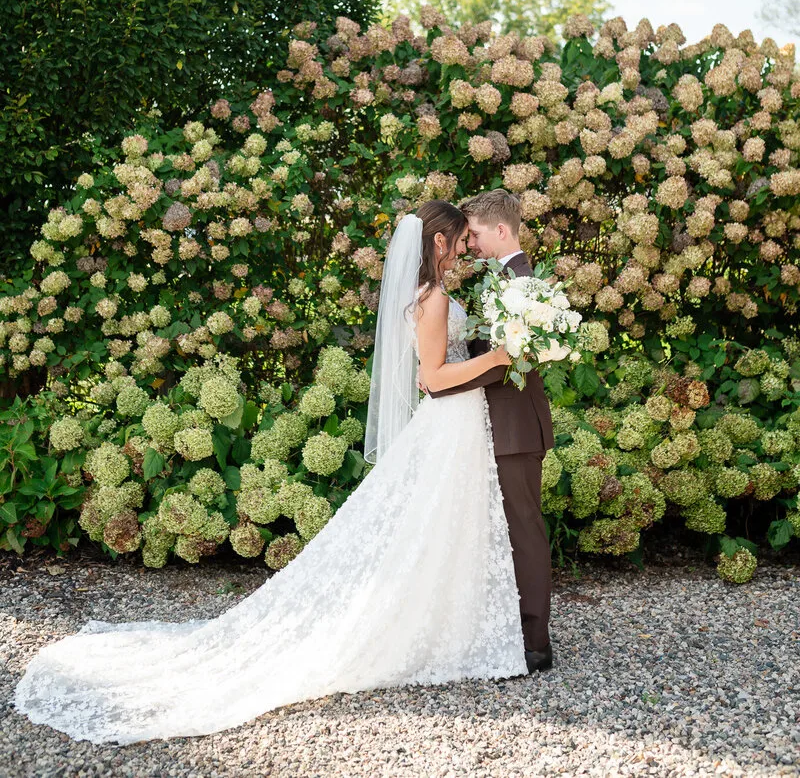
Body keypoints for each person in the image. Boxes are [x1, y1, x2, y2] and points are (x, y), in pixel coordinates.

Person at [14, 200, 532, 746]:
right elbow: (433, 376)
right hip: (448, 420)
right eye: (456, 241)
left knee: (441, 528)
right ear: (436, 244)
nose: (462, 250)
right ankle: (434, 629)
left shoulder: (427, 296)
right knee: (430, 527)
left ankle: (452, 624)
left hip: (459, 426)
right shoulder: (435, 299)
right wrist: (501, 355)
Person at [426, 188, 554, 673]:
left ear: (501, 231)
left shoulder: (522, 286)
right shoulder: (497, 282)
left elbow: (510, 362)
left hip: (514, 426)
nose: (471, 244)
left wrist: (438, 381)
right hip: (485, 425)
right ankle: (504, 629)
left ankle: (534, 644)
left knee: (523, 529)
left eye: (476, 234)